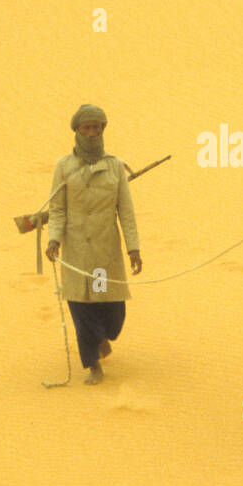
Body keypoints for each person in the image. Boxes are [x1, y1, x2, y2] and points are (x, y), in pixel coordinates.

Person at [44, 105, 142, 384]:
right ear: (76, 131)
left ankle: (103, 337)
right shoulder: (64, 167)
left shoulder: (114, 166)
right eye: (85, 128)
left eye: (96, 127)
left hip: (104, 250)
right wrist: (54, 239)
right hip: (77, 250)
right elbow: (57, 209)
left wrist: (133, 247)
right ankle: (92, 364)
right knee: (82, 307)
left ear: (102, 130)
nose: (91, 133)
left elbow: (126, 210)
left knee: (111, 311)